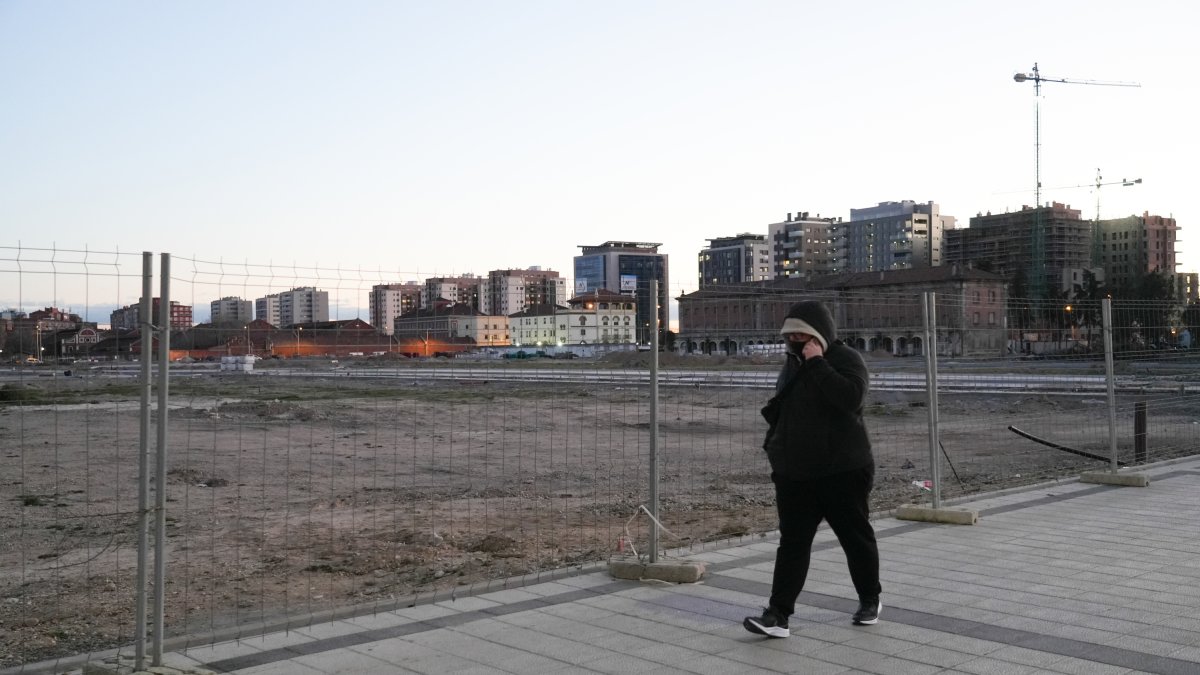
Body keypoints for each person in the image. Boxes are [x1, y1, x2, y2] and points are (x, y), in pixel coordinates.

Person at [744, 299, 882, 639]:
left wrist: (818, 363)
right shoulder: (791, 364)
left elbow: (850, 399)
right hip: (795, 473)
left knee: (855, 538)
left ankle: (870, 599)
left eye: (802, 335)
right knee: (792, 544)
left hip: (843, 470)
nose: (795, 342)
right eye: (790, 336)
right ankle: (778, 615)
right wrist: (777, 454)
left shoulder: (847, 359)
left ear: (821, 334)